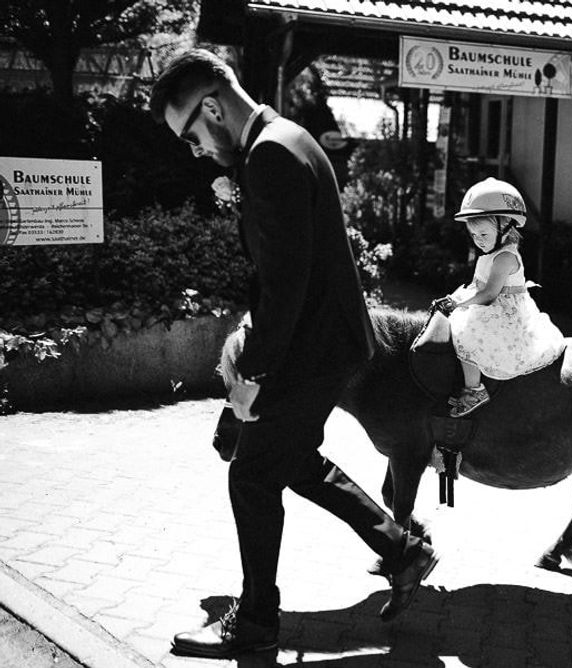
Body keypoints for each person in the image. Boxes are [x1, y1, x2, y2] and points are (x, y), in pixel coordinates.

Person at [149, 49, 437, 659]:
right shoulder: (288, 138)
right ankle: (401, 548)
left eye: (192, 136)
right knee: (290, 459)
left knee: (251, 475)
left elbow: (287, 286)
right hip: (325, 346)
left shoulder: (271, 155)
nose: (195, 152)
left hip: (309, 349)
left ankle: (255, 623)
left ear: (211, 107)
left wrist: (252, 376)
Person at [439, 177, 566, 418]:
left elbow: (488, 294)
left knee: (466, 334)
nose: (478, 240)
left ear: (506, 226)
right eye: (474, 235)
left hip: (503, 313)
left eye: (484, 234)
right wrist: (458, 298)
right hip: (489, 306)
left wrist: (460, 303)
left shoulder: (505, 257)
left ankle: (474, 389)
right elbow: (477, 286)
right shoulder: (490, 253)